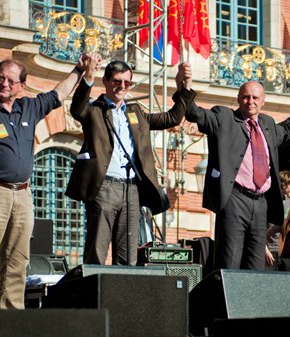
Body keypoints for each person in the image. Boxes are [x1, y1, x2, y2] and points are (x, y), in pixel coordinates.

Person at [0, 56, 86, 309]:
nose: (4, 83)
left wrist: (79, 69)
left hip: (23, 194)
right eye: (0, 77)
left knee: (17, 261)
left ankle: (11, 319)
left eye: (10, 80)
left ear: (21, 86)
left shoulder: (30, 107)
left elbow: (58, 94)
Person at [66, 54, 196, 265]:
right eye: (117, 81)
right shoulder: (94, 109)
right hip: (104, 186)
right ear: (106, 81)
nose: (122, 86)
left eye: (127, 82)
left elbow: (172, 118)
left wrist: (185, 86)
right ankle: (92, 295)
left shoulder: (136, 113)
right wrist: (87, 76)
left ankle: (123, 296)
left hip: (131, 189)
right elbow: (77, 108)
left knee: (128, 254)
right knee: (97, 249)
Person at [185, 81, 290, 271]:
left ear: (263, 101)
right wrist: (185, 85)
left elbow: (289, 128)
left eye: (255, 97)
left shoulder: (268, 124)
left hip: (261, 203)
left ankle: (250, 300)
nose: (250, 101)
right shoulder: (224, 117)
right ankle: (224, 301)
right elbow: (194, 113)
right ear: (239, 99)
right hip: (235, 200)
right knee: (230, 261)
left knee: (256, 265)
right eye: (246, 97)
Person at [266, 170, 290, 271]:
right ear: (284, 185)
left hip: (286, 249)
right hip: (270, 249)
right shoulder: (269, 202)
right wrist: (265, 249)